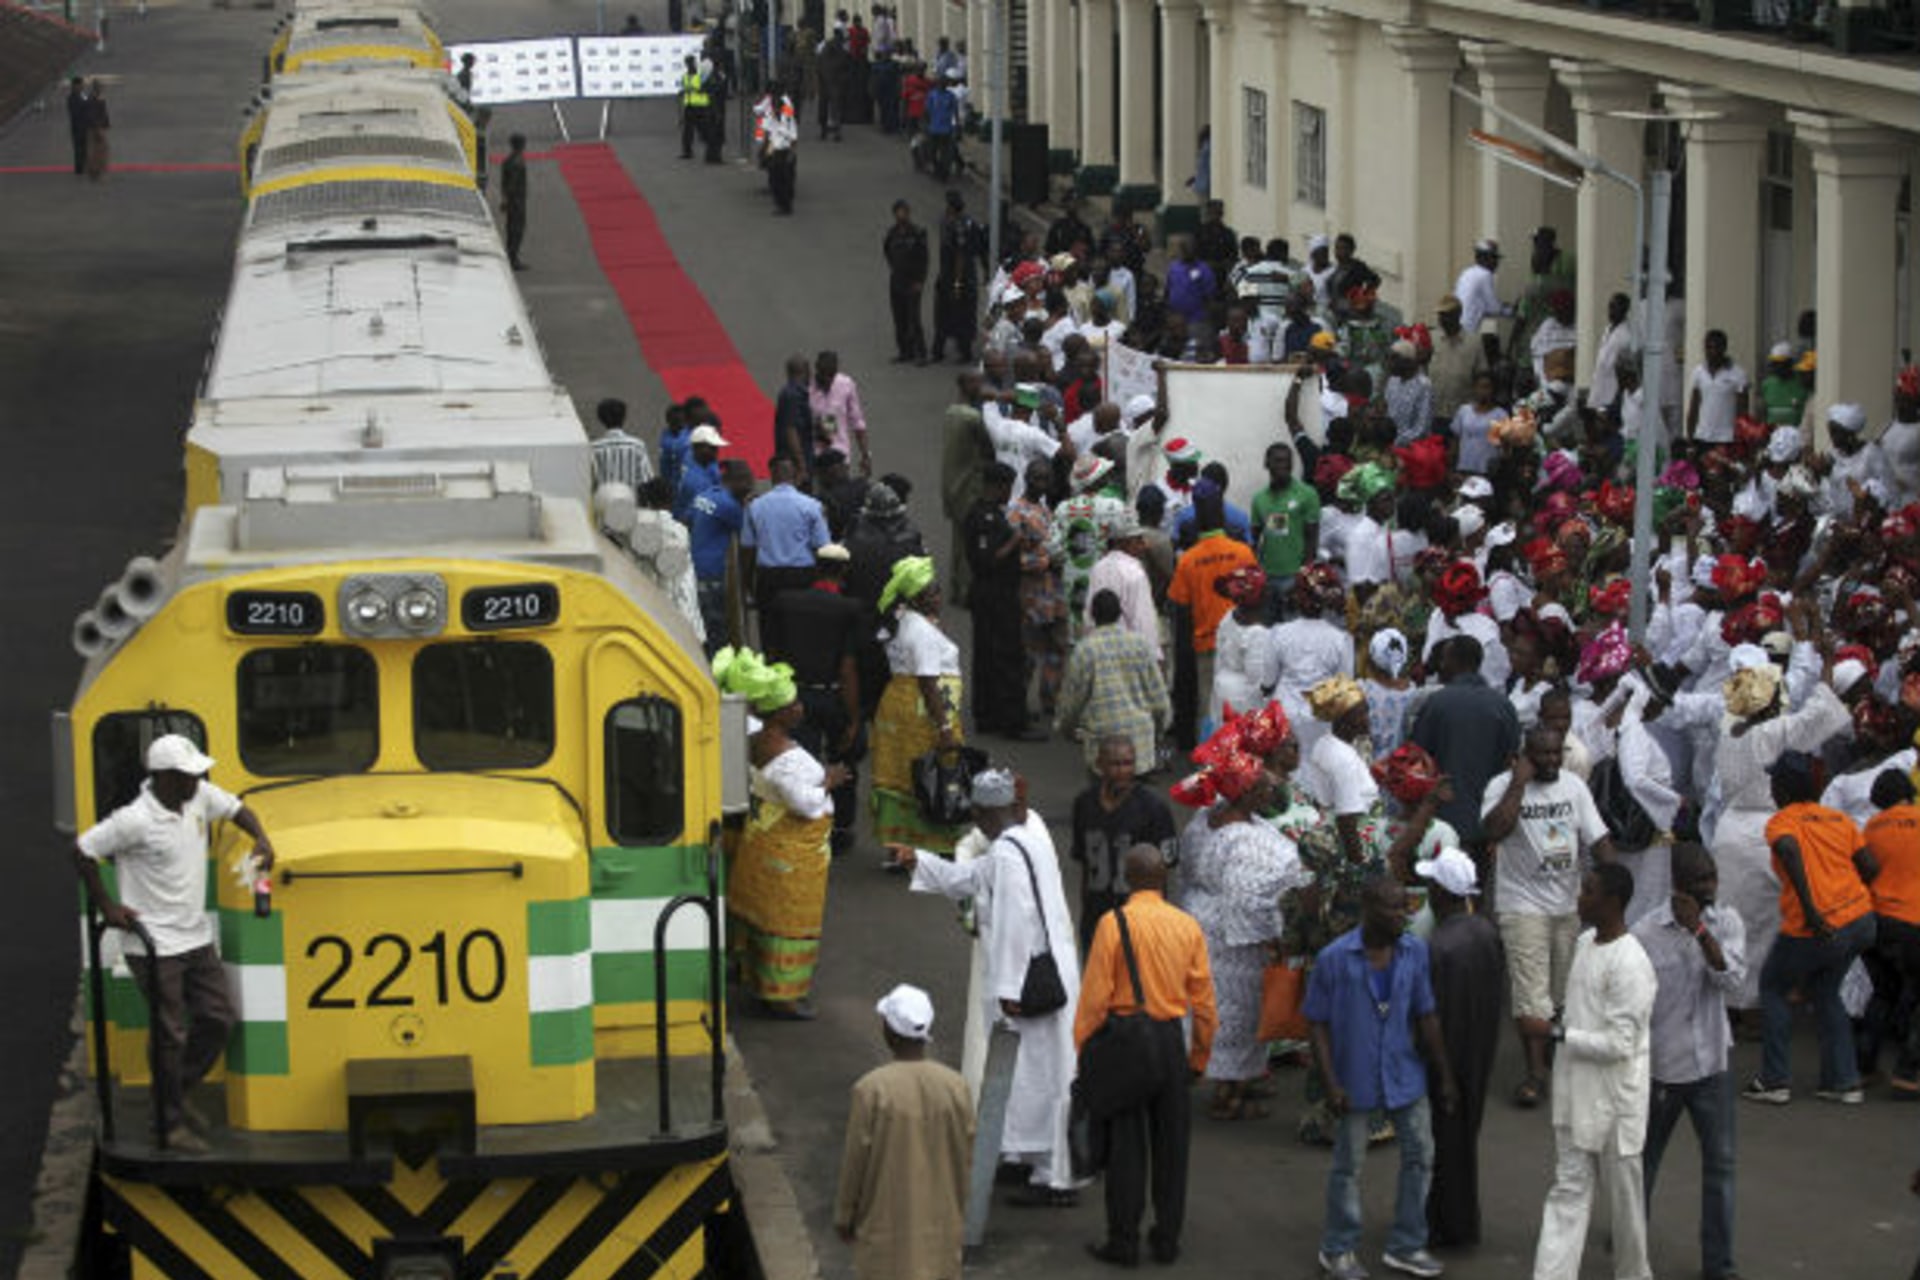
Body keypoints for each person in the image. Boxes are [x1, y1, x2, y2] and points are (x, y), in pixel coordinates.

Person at [75, 735, 278, 1153]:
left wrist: (261, 839)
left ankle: (172, 1096)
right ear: (165, 777)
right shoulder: (134, 820)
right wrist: (108, 905)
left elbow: (238, 809)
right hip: (153, 944)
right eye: (189, 774)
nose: (199, 779)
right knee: (170, 1034)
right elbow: (82, 850)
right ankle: (166, 1126)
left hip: (195, 937)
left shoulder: (198, 796)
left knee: (218, 1018)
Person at [889, 770, 1083, 1204]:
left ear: (979, 812)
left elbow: (1016, 923)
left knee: (1043, 1075)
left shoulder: (1010, 854)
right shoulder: (1022, 838)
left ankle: (1054, 1177)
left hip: (1030, 982)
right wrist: (919, 861)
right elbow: (972, 878)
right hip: (1045, 974)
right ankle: (1030, 1158)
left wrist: (1010, 990)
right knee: (1034, 1075)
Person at [1305, 876, 1457, 1280]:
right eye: (1393, 908)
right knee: (1348, 1166)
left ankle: (1406, 1245)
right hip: (1354, 1077)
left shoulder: (1414, 952)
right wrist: (1331, 1082)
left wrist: (1444, 1076)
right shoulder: (1335, 959)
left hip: (1404, 1073)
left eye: (1405, 906)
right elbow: (1316, 1024)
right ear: (1368, 910)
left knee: (1420, 1156)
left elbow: (1426, 1014)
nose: (1403, 915)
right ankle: (1337, 1250)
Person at [1076, 844, 1217, 1267]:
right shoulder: (1187, 926)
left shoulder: (1112, 924)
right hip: (1170, 1041)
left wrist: (1085, 1055)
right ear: (1164, 877)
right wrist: (1199, 1057)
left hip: (1126, 1042)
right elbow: (1205, 1004)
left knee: (1127, 1147)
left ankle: (1123, 1241)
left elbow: (1095, 998)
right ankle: (1166, 1239)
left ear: (1127, 877)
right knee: (1173, 1147)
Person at [1480, 725, 1618, 1108]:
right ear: (1526, 755)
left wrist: (1616, 887)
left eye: (1557, 754)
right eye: (1543, 756)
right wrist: (1519, 784)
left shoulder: (1574, 787)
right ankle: (1535, 1074)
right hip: (1521, 905)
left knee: (1562, 994)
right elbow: (1494, 829)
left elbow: (1598, 839)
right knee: (1531, 995)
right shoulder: (1501, 786)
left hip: (1567, 905)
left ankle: (1558, 1061)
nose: (1552, 762)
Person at [1532, 863, 1657, 1280]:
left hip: (1615, 1104)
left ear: (1613, 902)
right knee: (1568, 1191)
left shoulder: (1632, 963)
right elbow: (1578, 1009)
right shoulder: (1586, 942)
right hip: (1574, 1096)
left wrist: (1557, 1034)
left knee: (1624, 1205)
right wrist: (1556, 1024)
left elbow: (1620, 1044)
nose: (1579, 897)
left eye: (1588, 891)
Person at [1173, 740, 1309, 1121]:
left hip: (1201, 923)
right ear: (1246, 794)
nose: (1272, 790)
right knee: (1239, 1015)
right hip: (1235, 941)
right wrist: (1276, 938)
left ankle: (1212, 1077)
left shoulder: (1206, 819)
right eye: (1264, 787)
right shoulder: (1246, 842)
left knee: (1209, 1009)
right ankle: (1229, 1095)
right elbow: (1247, 900)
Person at [1632, 843, 1746, 1280]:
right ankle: (1631, 1247)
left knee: (1721, 1166)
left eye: (1712, 877)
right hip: (1663, 1069)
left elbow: (1732, 981)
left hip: (1712, 1067)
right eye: (1700, 881)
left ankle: (1719, 1266)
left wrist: (1699, 932)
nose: (1710, 887)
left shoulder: (1726, 922)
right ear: (1678, 885)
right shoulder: (1645, 933)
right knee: (1642, 1164)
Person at [715, 648, 847, 1017]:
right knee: (786, 923)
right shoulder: (783, 755)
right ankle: (783, 995)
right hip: (790, 851)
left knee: (762, 916)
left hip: (765, 838)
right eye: (793, 705)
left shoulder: (758, 740)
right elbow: (804, 804)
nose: (801, 709)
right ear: (776, 714)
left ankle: (758, 978)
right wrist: (829, 782)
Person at [1746, 749, 1878, 1105]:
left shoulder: (1782, 821)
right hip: (1860, 921)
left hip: (1817, 926)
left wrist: (1812, 910)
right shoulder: (1837, 819)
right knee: (1825, 992)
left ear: (1785, 787)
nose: (1771, 788)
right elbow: (1869, 865)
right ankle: (1844, 1082)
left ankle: (1774, 1081)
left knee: (1773, 987)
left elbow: (1788, 851)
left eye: (1774, 781)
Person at [833, 984, 974, 1280]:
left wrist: (845, 1215)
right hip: (940, 1221)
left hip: (886, 1223)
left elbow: (855, 1163)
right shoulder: (956, 1086)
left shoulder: (871, 1090)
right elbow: (965, 1155)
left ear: (889, 1031)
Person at [1417, 848, 1503, 1252]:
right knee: (1463, 1140)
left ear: (1441, 891)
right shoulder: (1485, 932)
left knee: (1443, 1145)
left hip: (1446, 1060)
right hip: (1480, 1051)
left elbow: (1429, 1016)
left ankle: (1446, 1225)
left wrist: (1440, 1072)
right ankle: (1459, 1222)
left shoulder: (1439, 946)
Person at [762, 544, 866, 856]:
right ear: (844, 572)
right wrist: (854, 717)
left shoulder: (785, 602)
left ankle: (802, 822)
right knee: (843, 760)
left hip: (794, 696)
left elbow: (772, 654)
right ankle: (841, 828)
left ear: (815, 568)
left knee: (800, 763)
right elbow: (848, 669)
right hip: (832, 695)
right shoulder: (850, 609)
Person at [868, 557, 968, 851]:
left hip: (900, 703)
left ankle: (898, 845)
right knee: (931, 770)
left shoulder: (902, 619)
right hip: (924, 709)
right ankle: (931, 843)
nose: (938, 597)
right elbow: (927, 681)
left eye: (937, 590)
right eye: (931, 593)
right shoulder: (921, 632)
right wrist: (945, 727)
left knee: (901, 773)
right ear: (914, 598)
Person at [1407, 637, 1522, 854]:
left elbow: (1416, 761)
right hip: (1488, 820)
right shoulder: (1503, 706)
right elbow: (1512, 762)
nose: (1440, 665)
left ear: (1452, 662)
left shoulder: (1436, 703)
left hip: (1441, 821)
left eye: (1444, 659)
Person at [1069, 738, 1176, 952]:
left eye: (1128, 763)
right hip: (1097, 913)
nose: (1122, 771)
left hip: (1138, 915)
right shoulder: (1084, 804)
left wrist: (1158, 920)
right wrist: (1085, 912)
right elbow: (1084, 865)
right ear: (1099, 765)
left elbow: (1163, 872)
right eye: (1115, 764)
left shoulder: (1153, 808)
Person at [1055, 590, 1172, 776]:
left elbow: (1073, 700)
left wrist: (1066, 728)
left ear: (1092, 615)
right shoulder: (1140, 644)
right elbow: (1159, 698)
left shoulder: (1085, 649)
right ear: (1120, 613)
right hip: (1140, 744)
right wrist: (1158, 730)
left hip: (1103, 745)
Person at [965, 462, 1037, 738]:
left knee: (989, 656)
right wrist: (1015, 541)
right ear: (999, 486)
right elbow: (988, 559)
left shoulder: (993, 515)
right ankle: (1011, 721)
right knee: (1007, 656)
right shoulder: (983, 518)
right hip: (995, 595)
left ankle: (991, 713)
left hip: (996, 594)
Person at [1250, 441, 1320, 622]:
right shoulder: (1259, 499)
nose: (1284, 466)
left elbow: (1312, 538)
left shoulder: (1307, 494)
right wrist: (1256, 576)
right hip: (1267, 577)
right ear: (1267, 464)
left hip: (1294, 577)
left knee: (1292, 630)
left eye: (1288, 461)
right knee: (1268, 633)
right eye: (1278, 461)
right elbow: (1254, 539)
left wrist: (1303, 578)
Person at [689, 459, 754, 651]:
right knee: (716, 629)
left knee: (700, 625)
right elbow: (747, 540)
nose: (750, 487)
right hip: (712, 574)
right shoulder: (730, 507)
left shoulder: (706, 495)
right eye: (747, 483)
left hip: (694, 568)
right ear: (736, 480)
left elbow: (687, 520)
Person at [932, 190, 986, 363]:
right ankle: (940, 350)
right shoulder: (959, 222)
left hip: (958, 277)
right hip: (953, 275)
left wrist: (956, 283)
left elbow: (960, 256)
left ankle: (962, 352)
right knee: (948, 313)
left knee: (956, 314)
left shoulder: (959, 225)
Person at [809, 350, 872, 477]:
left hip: (840, 457)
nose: (827, 379)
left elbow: (857, 422)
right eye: (823, 374)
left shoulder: (846, 385)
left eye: (831, 375)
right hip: (815, 457)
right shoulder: (806, 388)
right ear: (816, 369)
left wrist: (865, 455)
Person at [1686, 329, 1750, 449]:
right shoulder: (1698, 372)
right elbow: (1694, 407)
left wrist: (1740, 439)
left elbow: (1742, 412)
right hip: (1702, 437)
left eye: (1716, 348)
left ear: (1724, 348)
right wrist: (1690, 438)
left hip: (1727, 439)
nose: (1713, 352)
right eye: (1709, 348)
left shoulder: (1738, 374)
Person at [884, 199, 930, 363]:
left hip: (913, 282)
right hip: (897, 280)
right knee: (899, 318)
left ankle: (921, 353)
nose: (901, 215)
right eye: (898, 212)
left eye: (904, 211)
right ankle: (905, 351)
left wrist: (920, 280)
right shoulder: (892, 233)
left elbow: (924, 259)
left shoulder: (918, 233)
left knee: (914, 319)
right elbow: (888, 252)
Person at [500, 133, 528, 270]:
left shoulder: (507, 160)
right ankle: (513, 259)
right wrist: (508, 200)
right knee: (517, 230)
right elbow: (512, 184)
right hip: (517, 201)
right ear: (522, 145)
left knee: (511, 229)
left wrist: (504, 199)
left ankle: (511, 257)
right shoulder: (518, 162)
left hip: (512, 200)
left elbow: (504, 183)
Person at [83, 80, 110, 181]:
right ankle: (95, 171)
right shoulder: (93, 99)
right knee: (98, 150)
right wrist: (98, 128)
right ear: (97, 88)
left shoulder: (97, 98)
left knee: (98, 150)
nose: (102, 89)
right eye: (101, 87)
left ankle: (95, 171)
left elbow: (103, 113)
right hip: (95, 128)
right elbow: (93, 115)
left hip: (97, 127)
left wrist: (106, 124)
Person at [66, 77, 88, 176]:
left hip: (85, 126)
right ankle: (79, 168)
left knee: (85, 147)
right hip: (77, 126)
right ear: (75, 86)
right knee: (78, 148)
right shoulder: (72, 98)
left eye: (83, 85)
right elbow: (75, 112)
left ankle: (84, 165)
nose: (83, 86)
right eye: (81, 85)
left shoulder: (82, 95)